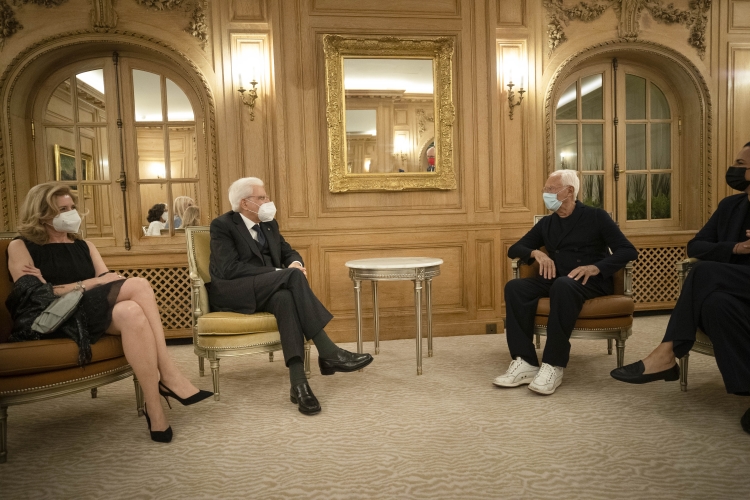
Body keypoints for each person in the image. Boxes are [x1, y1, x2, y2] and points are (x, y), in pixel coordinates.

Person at [6, 183, 212, 443]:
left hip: (86, 311)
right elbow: (36, 296)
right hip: (52, 318)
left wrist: (71, 285)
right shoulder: (20, 246)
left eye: (72, 207)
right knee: (139, 284)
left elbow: (108, 280)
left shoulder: (85, 246)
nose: (71, 213)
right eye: (62, 209)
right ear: (42, 213)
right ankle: (169, 374)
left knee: (131, 311)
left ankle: (154, 407)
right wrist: (90, 283)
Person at [611, 142, 750, 435]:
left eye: (741, 164)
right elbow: (695, 246)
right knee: (715, 305)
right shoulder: (730, 206)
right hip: (731, 290)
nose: (734, 169)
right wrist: (736, 248)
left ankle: (666, 353)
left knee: (703, 271)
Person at [208, 177, 373, 415]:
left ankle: (299, 384)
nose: (268, 201)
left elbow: (288, 251)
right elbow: (229, 269)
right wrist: (280, 273)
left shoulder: (269, 224)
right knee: (292, 278)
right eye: (262, 197)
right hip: (235, 291)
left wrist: (294, 263)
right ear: (245, 203)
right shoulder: (222, 225)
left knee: (285, 298)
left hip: (269, 289)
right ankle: (328, 352)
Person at [494, 170, 637, 395]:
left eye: (550, 189)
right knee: (515, 287)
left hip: (590, 282)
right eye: (545, 189)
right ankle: (525, 362)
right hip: (557, 279)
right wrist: (536, 253)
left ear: (569, 191)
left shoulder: (596, 216)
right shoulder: (547, 223)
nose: (545, 193)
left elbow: (628, 250)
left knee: (563, 285)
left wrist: (596, 267)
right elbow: (515, 248)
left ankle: (553, 364)